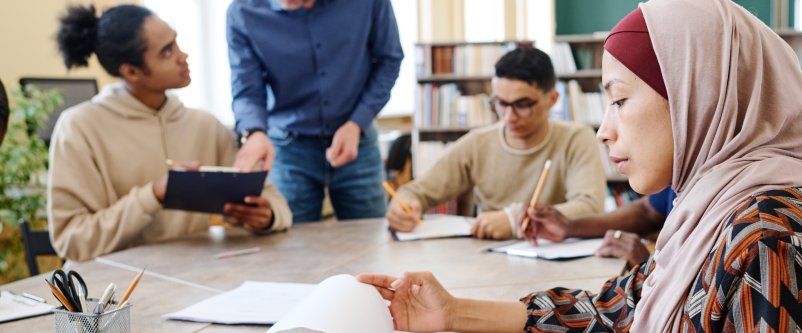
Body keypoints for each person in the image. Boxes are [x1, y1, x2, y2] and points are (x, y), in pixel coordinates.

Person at [358, 0, 802, 333]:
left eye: (620, 100)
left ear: (697, 98)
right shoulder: (711, 210)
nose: (603, 129)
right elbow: (620, 309)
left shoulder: (768, 244)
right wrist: (453, 313)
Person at [49, 4, 292, 262]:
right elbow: (71, 241)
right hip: (115, 291)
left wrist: (266, 217)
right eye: (166, 52)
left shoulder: (205, 125)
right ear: (131, 71)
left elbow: (278, 206)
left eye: (176, 43)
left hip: (194, 281)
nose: (183, 56)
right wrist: (153, 194)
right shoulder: (79, 127)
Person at [387, 47, 606, 240]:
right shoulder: (478, 143)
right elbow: (419, 191)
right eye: (500, 103)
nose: (509, 116)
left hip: (556, 257)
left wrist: (514, 219)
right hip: (489, 258)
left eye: (522, 104)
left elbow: (590, 208)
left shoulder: (576, 138)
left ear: (552, 99)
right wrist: (402, 205)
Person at [227, 0, 403, 223]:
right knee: (291, 246)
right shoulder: (243, 12)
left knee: (371, 238)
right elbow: (246, 88)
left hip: (357, 140)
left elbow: (389, 60)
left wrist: (358, 122)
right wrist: (254, 132)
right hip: (288, 149)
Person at [524, 155, 802, 267]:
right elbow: (649, 211)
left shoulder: (767, 218)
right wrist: (570, 227)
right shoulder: (696, 150)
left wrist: (654, 268)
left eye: (621, 101)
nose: (605, 132)